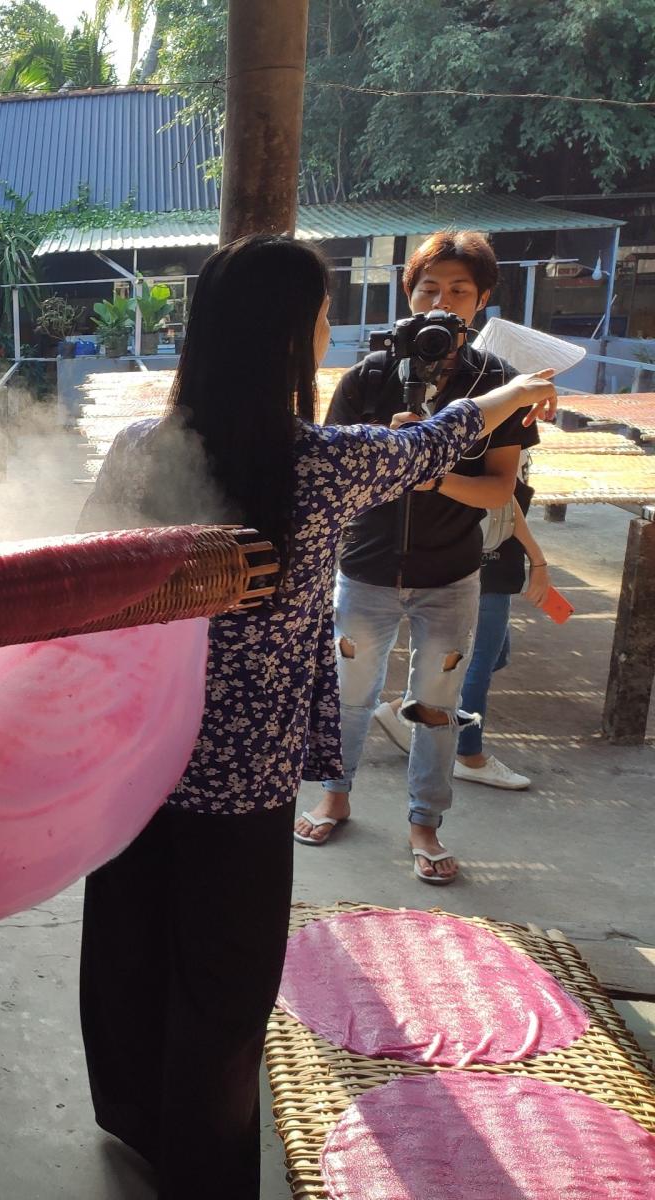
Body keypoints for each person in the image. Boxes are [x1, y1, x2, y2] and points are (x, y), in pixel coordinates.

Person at [77, 234, 556, 1198]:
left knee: (129, 942)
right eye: (325, 315)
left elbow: (84, 568)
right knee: (224, 984)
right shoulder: (326, 462)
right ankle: (203, 1171)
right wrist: (511, 394)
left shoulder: (139, 449)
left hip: (134, 758)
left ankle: (134, 1117)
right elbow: (437, 440)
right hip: (243, 778)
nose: (333, 329)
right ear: (290, 337)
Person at [295, 231, 539, 884]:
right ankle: (335, 796)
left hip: (450, 573)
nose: (442, 302)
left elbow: (500, 490)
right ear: (409, 295)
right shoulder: (369, 376)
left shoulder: (499, 385)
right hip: (367, 567)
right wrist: (387, 451)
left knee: (436, 706)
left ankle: (424, 822)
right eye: (429, 288)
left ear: (482, 301)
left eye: (459, 290)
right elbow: (331, 473)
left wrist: (431, 475)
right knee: (348, 693)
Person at [375, 467, 551, 789]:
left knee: (493, 655)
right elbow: (502, 496)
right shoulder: (494, 435)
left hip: (478, 554)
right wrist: (538, 559)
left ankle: (407, 707)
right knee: (475, 664)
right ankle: (468, 754)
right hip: (485, 558)